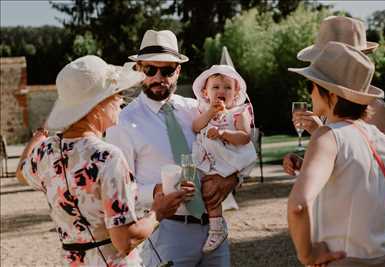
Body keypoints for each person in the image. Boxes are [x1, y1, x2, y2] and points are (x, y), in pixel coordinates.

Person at [15, 55, 193, 267]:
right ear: (97, 105)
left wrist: (41, 134)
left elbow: (21, 171)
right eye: (116, 94)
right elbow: (124, 240)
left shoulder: (45, 152)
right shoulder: (107, 157)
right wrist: (159, 212)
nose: (121, 101)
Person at [106, 30, 238, 266]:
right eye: (151, 70)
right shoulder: (123, 122)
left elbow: (234, 149)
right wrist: (157, 190)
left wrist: (233, 179)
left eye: (167, 70)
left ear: (178, 71)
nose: (159, 77)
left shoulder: (196, 109)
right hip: (166, 232)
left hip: (215, 228)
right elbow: (119, 190)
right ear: (139, 70)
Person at [286, 41, 385, 266]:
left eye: (312, 86)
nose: (309, 93)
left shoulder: (327, 136)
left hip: (340, 260)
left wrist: (307, 254)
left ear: (332, 95)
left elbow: (297, 206)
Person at [283, 15, 385, 175]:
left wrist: (319, 131)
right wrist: (303, 164)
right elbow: (338, 168)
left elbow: (367, 170)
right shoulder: (333, 105)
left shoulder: (374, 107)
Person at [191, 65, 257, 253]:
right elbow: (196, 127)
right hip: (207, 158)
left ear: (236, 93)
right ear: (205, 92)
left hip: (227, 157)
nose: (222, 91)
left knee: (213, 192)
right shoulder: (204, 110)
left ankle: (217, 229)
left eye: (228, 87)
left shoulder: (238, 112)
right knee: (201, 187)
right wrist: (211, 113)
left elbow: (244, 136)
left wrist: (222, 133)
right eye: (216, 87)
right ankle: (204, 223)